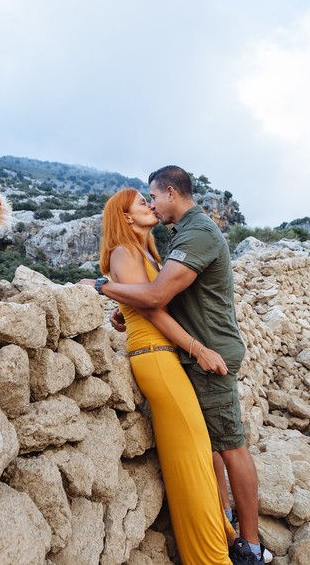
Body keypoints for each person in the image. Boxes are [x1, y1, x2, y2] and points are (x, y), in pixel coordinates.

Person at [91, 166, 266, 565]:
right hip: (166, 357)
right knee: (201, 456)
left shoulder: (185, 236)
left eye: (151, 197)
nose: (150, 204)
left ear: (170, 193)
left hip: (193, 353)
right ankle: (215, 550)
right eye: (142, 202)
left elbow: (153, 297)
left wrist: (109, 292)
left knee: (216, 451)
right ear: (126, 217)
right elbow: (150, 302)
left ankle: (239, 543)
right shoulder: (132, 250)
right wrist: (126, 308)